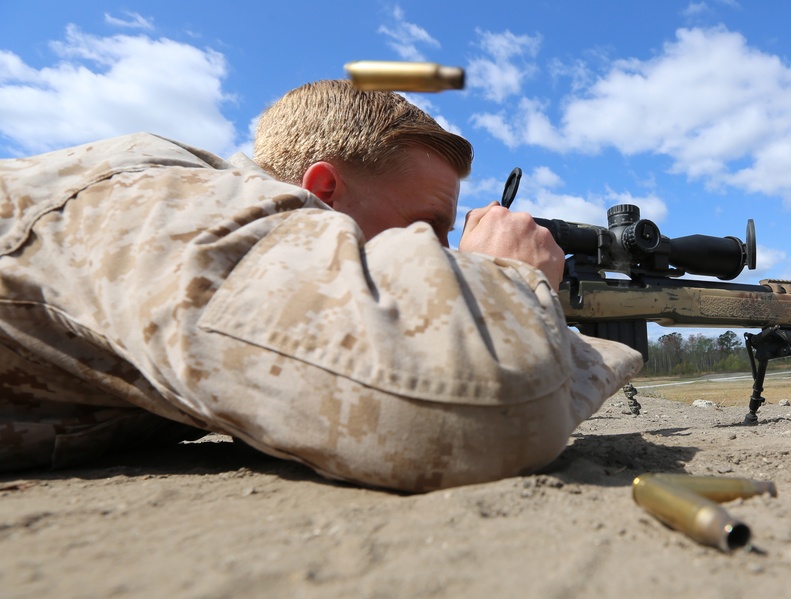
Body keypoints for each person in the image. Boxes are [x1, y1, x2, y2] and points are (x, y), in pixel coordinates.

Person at [0, 80, 642, 492]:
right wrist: (512, 279)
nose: (441, 252)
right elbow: (485, 409)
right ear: (323, 191)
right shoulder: (167, 203)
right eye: (427, 226)